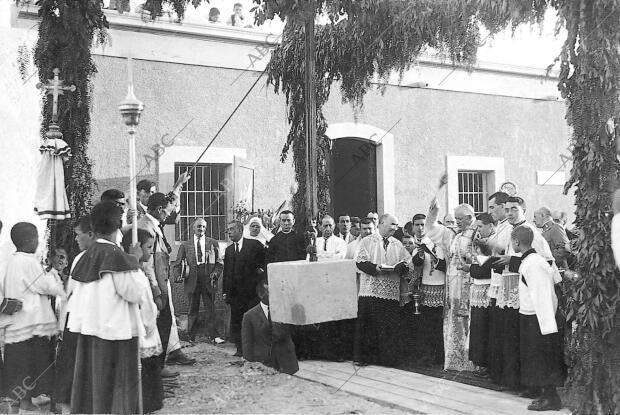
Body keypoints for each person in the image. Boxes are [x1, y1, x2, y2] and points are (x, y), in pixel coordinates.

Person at [67, 201, 147, 414]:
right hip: (115, 333)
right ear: (117, 228)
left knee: (95, 388)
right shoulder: (117, 256)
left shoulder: (84, 256)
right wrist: (136, 263)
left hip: (89, 330)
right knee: (117, 388)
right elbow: (134, 293)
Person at [490, 196, 556, 391]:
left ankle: (531, 384)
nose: (509, 213)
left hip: (528, 295)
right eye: (507, 209)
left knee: (528, 341)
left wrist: (513, 260)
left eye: (514, 210)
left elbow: (547, 263)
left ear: (524, 210)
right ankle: (514, 380)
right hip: (511, 287)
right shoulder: (511, 232)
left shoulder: (532, 233)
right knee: (512, 337)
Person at [2, 223, 64, 412]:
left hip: (16, 323)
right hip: (33, 322)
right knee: (38, 362)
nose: (38, 241)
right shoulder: (29, 261)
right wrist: (60, 286)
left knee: (19, 364)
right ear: (29, 240)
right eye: (37, 237)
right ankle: (31, 402)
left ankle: (20, 402)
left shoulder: (9, 262)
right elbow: (45, 285)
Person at [139, 193, 195, 373]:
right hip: (154, 282)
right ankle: (158, 367)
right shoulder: (147, 227)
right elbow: (147, 263)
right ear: (159, 210)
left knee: (165, 320)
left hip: (161, 278)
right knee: (161, 322)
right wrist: (156, 290)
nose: (168, 215)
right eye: (166, 211)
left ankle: (162, 361)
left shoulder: (153, 223)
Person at [512, 226, 564, 411]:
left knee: (542, 357)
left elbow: (543, 296)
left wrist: (547, 327)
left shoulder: (534, 263)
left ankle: (551, 398)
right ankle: (545, 395)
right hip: (529, 316)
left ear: (516, 242)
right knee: (534, 358)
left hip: (539, 319)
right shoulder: (529, 261)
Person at [355, 214, 410, 367]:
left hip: (390, 291)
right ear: (381, 224)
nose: (395, 228)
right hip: (370, 290)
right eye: (392, 224)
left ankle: (387, 359)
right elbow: (360, 262)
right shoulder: (367, 241)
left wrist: (402, 266)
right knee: (368, 325)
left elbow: (408, 262)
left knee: (388, 326)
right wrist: (376, 268)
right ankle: (364, 357)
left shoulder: (397, 243)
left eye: (397, 225)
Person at [427, 199, 476, 372]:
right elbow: (431, 230)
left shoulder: (478, 233)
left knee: (468, 320)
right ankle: (455, 361)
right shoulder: (454, 234)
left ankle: (471, 362)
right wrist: (433, 213)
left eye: (460, 219)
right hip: (453, 286)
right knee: (454, 319)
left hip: (470, 285)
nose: (457, 222)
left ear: (470, 217)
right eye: (455, 219)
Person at [54, 215, 96, 413]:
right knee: (70, 367)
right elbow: (69, 293)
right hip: (74, 319)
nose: (76, 239)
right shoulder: (80, 257)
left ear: (90, 234)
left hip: (85, 321)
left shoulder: (94, 256)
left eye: (78, 235)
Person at [122, 229, 164, 414]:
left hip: (143, 331)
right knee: (147, 379)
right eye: (148, 248)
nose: (151, 252)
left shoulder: (135, 271)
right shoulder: (135, 274)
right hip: (144, 332)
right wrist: (152, 315)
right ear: (136, 249)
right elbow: (145, 306)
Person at [173, 218, 224, 343]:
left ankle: (214, 336)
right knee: (192, 309)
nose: (201, 229)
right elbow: (177, 263)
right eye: (198, 226)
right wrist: (178, 276)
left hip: (208, 278)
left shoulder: (213, 243)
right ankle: (191, 335)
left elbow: (219, 262)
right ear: (193, 228)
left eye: (203, 227)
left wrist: (215, 274)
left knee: (210, 309)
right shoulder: (185, 245)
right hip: (192, 279)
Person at [407, 213, 447, 366]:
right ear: (413, 226)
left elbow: (444, 264)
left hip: (440, 286)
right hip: (425, 288)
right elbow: (415, 264)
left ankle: (440, 356)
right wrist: (420, 256)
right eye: (417, 225)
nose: (420, 228)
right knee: (426, 323)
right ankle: (428, 355)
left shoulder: (438, 242)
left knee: (438, 323)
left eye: (423, 224)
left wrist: (431, 253)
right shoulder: (419, 244)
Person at [223, 220, 266, 357]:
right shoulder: (229, 250)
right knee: (236, 321)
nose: (229, 232)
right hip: (235, 294)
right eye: (228, 230)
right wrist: (225, 292)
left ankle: (255, 349)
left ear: (240, 231)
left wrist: (260, 279)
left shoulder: (254, 245)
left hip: (251, 293)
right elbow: (227, 273)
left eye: (231, 229)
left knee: (252, 320)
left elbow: (264, 263)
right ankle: (240, 349)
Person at [311, 216, 350, 361]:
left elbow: (339, 258)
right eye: (325, 226)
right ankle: (320, 351)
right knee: (319, 316)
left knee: (333, 318)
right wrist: (327, 256)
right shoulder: (315, 241)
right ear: (320, 227)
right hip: (318, 283)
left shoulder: (340, 242)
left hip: (334, 284)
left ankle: (334, 353)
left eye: (330, 226)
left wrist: (322, 257)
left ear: (334, 227)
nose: (327, 229)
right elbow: (311, 258)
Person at [241, 280, 298, 375]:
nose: (273, 295)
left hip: (285, 362)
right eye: (269, 292)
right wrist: (250, 364)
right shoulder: (249, 316)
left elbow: (293, 330)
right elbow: (247, 343)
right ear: (260, 294)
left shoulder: (284, 311)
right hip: (263, 363)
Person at [468, 212, 496, 376]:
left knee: (485, 326)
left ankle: (486, 363)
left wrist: (471, 268)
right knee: (478, 325)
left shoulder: (495, 241)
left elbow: (487, 267)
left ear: (490, 226)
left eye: (480, 226)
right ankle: (479, 363)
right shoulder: (480, 240)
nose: (477, 230)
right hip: (478, 288)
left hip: (489, 286)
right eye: (476, 226)